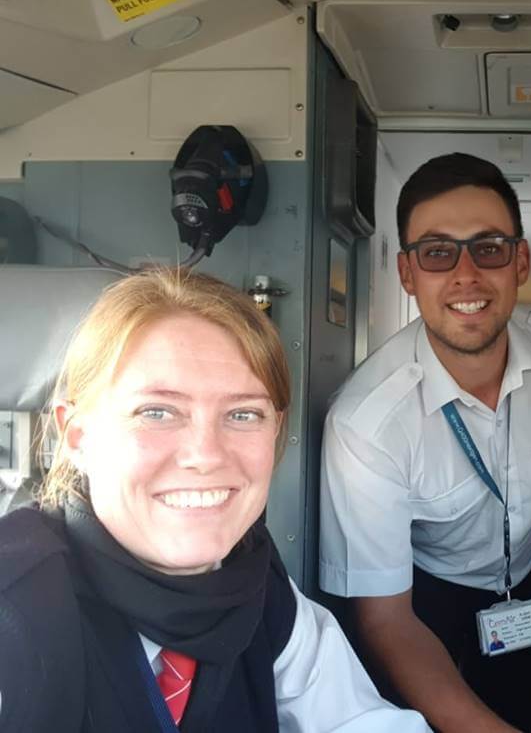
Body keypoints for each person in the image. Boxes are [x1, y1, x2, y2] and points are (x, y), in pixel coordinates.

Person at [0, 268, 430, 733]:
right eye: (157, 412)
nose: (205, 456)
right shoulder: (18, 608)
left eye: (243, 414)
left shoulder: (260, 586)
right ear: (79, 436)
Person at [319, 153, 531, 732]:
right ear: (407, 273)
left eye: (489, 247)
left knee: (522, 701)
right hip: (427, 597)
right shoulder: (367, 425)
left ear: (519, 262)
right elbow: (387, 622)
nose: (466, 274)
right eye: (437, 251)